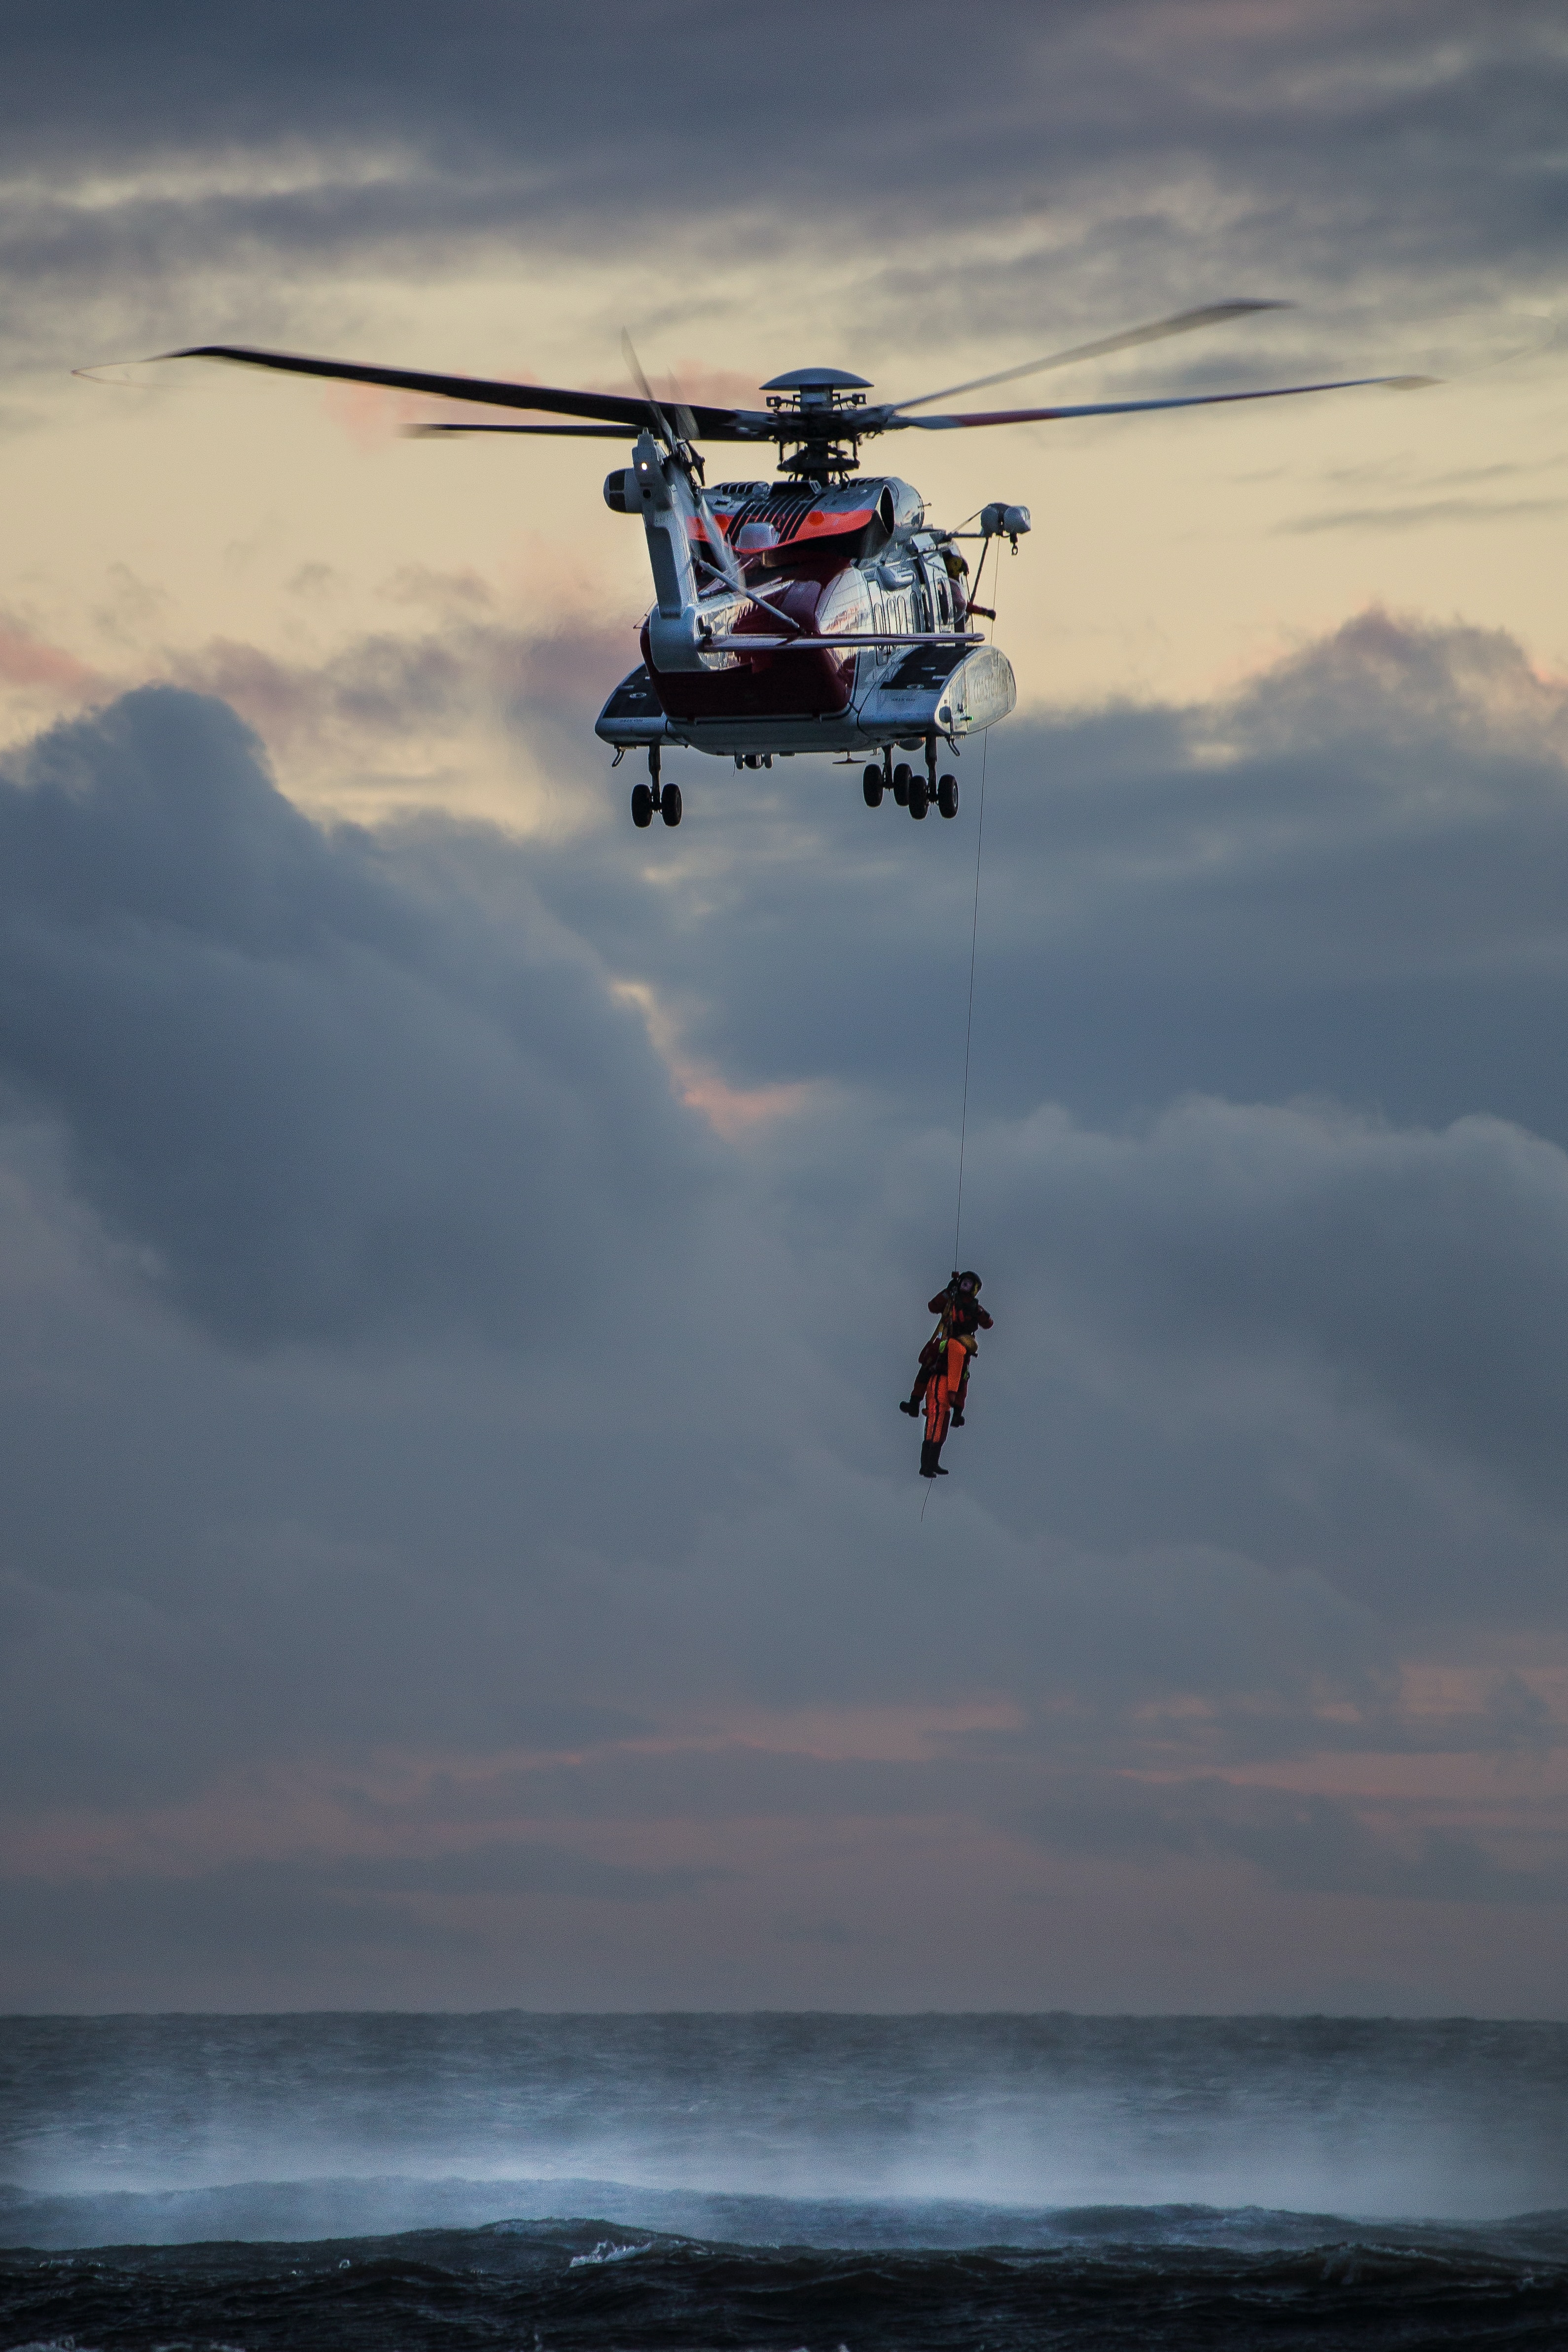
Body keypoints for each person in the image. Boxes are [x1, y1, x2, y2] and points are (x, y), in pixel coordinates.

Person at [900, 1271, 992, 1476]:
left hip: (956, 1353)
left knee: (958, 1388)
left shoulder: (974, 1310)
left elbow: (988, 1323)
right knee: (928, 1367)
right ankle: (915, 1402)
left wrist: (978, 1313)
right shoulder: (950, 1300)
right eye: (964, 1282)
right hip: (943, 1352)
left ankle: (935, 1455)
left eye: (970, 1284)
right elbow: (933, 1307)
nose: (965, 1286)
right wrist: (947, 1291)